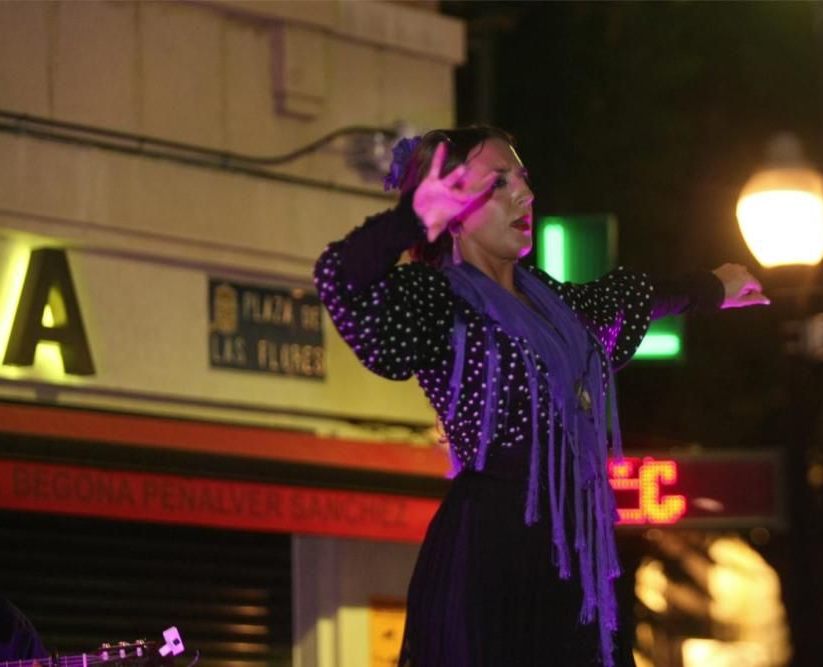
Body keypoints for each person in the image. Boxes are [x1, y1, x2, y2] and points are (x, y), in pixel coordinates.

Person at [314, 126, 769, 667]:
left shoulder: (550, 302)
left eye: (523, 180)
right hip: (493, 553)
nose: (524, 195)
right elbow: (339, 280)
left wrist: (709, 287)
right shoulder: (438, 299)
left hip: (576, 556)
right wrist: (410, 219)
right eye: (498, 183)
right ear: (453, 211)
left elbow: (619, 300)